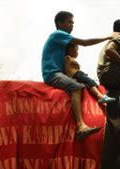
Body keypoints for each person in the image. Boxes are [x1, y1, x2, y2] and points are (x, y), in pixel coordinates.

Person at [42, 11, 114, 140]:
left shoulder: (62, 40)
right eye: (69, 22)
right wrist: (108, 37)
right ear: (60, 23)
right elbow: (85, 42)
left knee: (85, 80)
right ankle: (81, 126)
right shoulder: (58, 34)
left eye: (73, 23)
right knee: (76, 87)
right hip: (52, 74)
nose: (72, 25)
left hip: (60, 72)